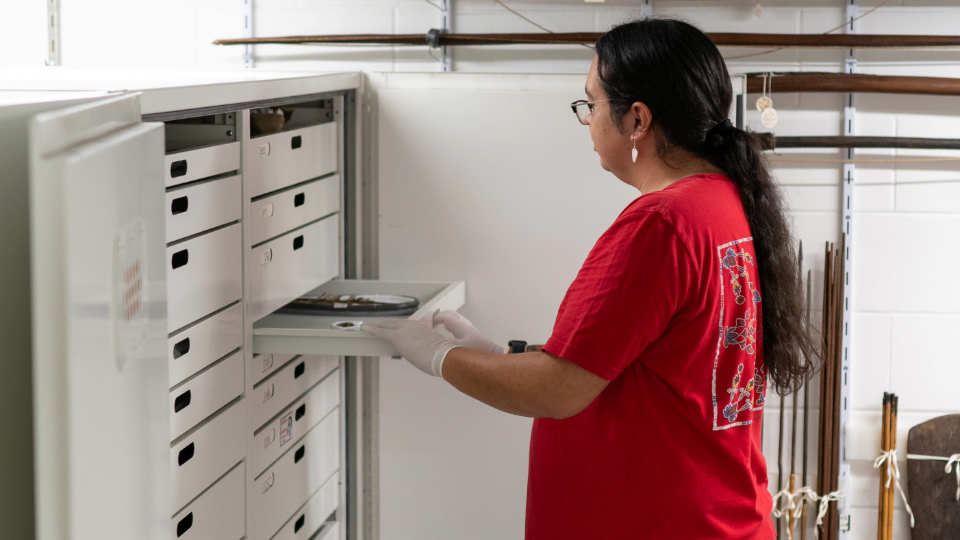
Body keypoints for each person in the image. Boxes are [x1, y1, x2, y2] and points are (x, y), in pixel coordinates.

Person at [364, 17, 819, 540]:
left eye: (591, 103)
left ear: (637, 119)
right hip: (716, 518)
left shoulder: (662, 224)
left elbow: (557, 390)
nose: (586, 120)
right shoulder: (722, 201)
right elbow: (648, 359)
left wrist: (439, 356)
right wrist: (503, 355)